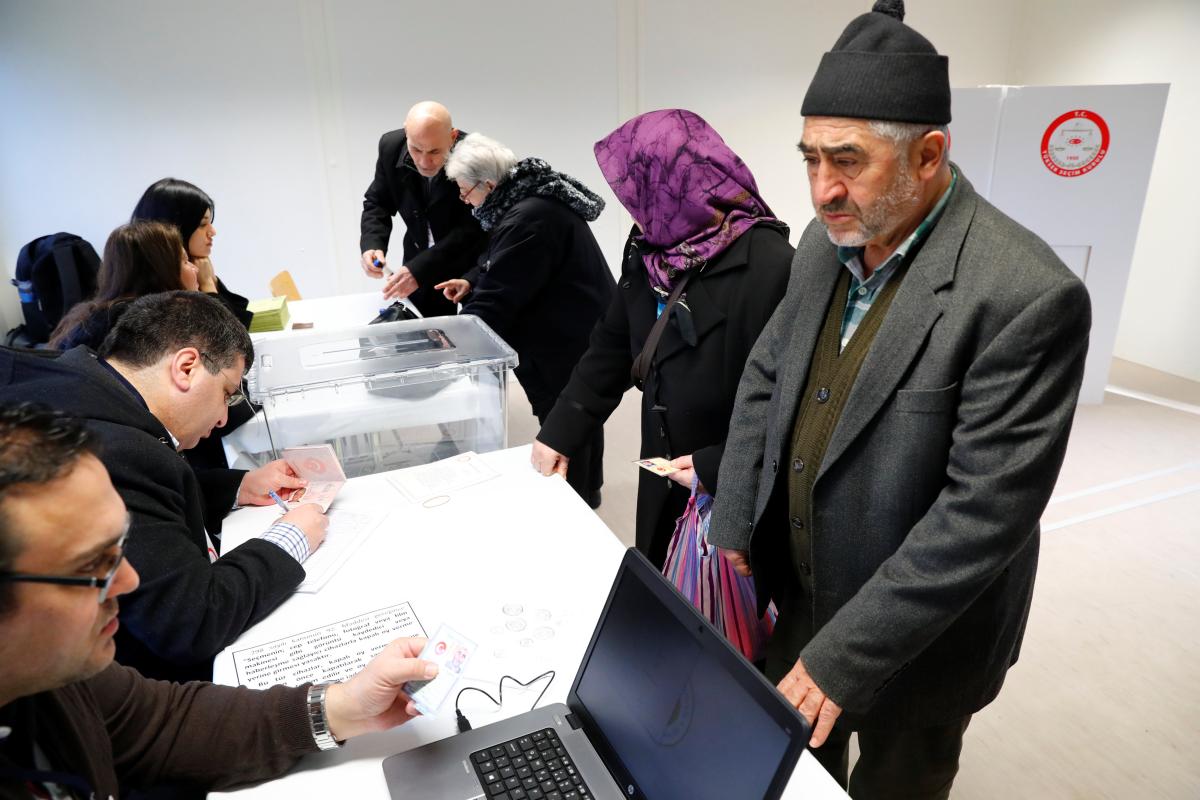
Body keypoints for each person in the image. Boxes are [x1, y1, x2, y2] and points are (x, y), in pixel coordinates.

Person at [707, 2, 1093, 797]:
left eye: (846, 160)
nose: (821, 191)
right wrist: (738, 508)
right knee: (792, 777)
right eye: (810, 157)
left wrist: (845, 658)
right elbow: (768, 374)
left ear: (928, 154)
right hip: (802, 594)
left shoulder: (1025, 294)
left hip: (922, 640)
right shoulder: (824, 243)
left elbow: (982, 515)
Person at [0, 402, 436, 799]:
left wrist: (343, 707)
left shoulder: (57, 675)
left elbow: (160, 723)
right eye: (91, 567)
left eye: (120, 550)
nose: (129, 581)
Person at [0, 292, 330, 683]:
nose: (224, 417)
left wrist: (240, 486)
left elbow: (151, 507)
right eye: (227, 393)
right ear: (186, 367)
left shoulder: (86, 390)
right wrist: (290, 537)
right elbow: (193, 619)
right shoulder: (118, 450)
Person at [530, 110, 793, 566]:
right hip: (662, 461)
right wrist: (561, 430)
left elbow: (794, 401)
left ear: (675, 181)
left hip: (733, 478)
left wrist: (719, 466)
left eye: (637, 189)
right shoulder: (651, 249)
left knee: (726, 617)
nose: (633, 205)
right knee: (664, 580)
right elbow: (611, 345)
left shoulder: (773, 265)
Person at [438, 133, 613, 507]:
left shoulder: (529, 217)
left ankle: (577, 502)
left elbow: (499, 297)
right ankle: (585, 491)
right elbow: (500, 260)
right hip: (573, 330)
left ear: (488, 184)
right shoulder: (528, 203)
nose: (463, 199)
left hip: (564, 340)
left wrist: (447, 341)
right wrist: (470, 279)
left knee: (565, 426)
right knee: (577, 422)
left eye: (465, 191)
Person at [361, 101, 487, 317]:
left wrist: (419, 269)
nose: (424, 161)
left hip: (470, 264)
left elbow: (474, 225)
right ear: (406, 133)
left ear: (453, 136)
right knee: (423, 337)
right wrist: (372, 244)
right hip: (417, 260)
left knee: (475, 337)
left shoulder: (476, 155)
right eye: (416, 149)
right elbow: (378, 201)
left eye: (435, 151)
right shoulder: (390, 146)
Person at [49, 221, 199, 350]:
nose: (195, 268)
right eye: (185, 261)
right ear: (159, 271)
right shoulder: (145, 330)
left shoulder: (91, 317)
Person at [132, 177, 252, 327]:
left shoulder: (195, 267)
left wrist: (212, 281)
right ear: (176, 227)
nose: (212, 232)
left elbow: (242, 318)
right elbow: (231, 336)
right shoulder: (156, 297)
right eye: (202, 224)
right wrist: (208, 285)